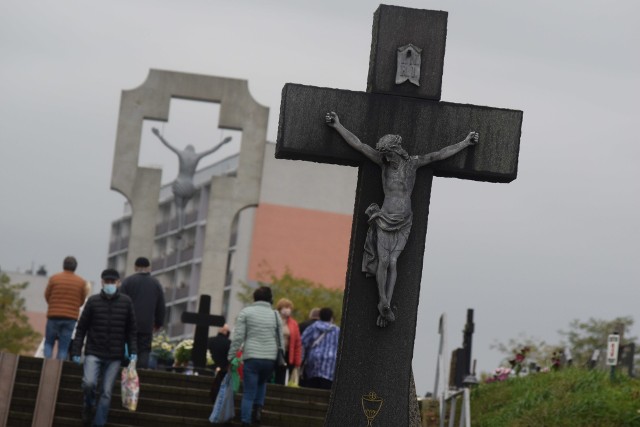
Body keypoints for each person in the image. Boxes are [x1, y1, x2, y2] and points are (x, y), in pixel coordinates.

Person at [325, 111, 479, 327]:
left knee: (394, 261)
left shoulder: (413, 164)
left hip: (404, 219)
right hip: (385, 217)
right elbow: (359, 145)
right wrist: (337, 126)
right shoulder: (382, 163)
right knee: (383, 261)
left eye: (387, 153)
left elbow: (439, 154)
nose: (385, 156)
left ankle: (386, 303)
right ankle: (383, 301)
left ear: (395, 151)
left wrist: (465, 143)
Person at [71, 269, 138, 427]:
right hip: (94, 351)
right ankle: (88, 405)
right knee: (89, 383)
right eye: (107, 282)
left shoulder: (126, 302)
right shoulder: (93, 301)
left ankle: (98, 423)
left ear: (118, 283)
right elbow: (81, 329)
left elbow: (131, 330)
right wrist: (76, 350)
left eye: (112, 282)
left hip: (114, 355)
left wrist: (133, 351)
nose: (109, 284)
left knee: (107, 392)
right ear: (101, 282)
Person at [151, 127, 231, 232]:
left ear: (186, 149)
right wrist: (222, 143)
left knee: (179, 207)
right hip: (189, 187)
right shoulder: (196, 156)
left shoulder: (181, 153)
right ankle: (182, 226)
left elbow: (169, 145)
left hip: (179, 184)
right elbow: (210, 151)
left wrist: (159, 135)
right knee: (183, 208)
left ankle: (180, 227)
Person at [228, 286, 283, 427]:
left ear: (254, 298)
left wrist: (231, 355)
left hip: (252, 356)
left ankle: (246, 421)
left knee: (248, 392)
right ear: (271, 299)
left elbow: (238, 337)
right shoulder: (276, 315)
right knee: (262, 382)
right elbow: (280, 340)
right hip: (270, 358)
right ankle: (257, 412)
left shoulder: (246, 312)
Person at [119, 256, 166, 369]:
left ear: (135, 267)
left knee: (128, 349)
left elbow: (120, 303)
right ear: (148, 268)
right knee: (144, 350)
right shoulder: (156, 284)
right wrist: (158, 323)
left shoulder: (127, 282)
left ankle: (125, 374)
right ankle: (141, 374)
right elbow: (161, 306)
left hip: (129, 324)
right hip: (147, 325)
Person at [43, 256, 89, 360]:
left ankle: (46, 363)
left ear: (63, 265)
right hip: (70, 318)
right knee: (63, 346)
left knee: (49, 342)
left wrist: (52, 305)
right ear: (75, 267)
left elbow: (47, 294)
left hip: (54, 315)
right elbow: (82, 300)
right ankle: (58, 368)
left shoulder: (54, 278)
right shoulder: (81, 282)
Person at [300, 307, 340, 390]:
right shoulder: (337, 330)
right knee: (326, 389)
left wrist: (301, 360)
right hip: (331, 362)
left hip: (314, 360)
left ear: (320, 316)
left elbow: (303, 343)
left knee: (312, 386)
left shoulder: (313, 327)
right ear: (331, 317)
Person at [273, 298, 302, 385]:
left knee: (282, 378)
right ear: (280, 308)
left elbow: (297, 343)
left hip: (287, 354)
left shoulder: (294, 324)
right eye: (285, 307)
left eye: (289, 308)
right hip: (273, 352)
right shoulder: (273, 319)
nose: (287, 310)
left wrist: (297, 361)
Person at [207, 324, 231, 403]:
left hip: (209, 370)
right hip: (222, 372)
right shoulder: (229, 343)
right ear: (226, 332)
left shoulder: (210, 340)